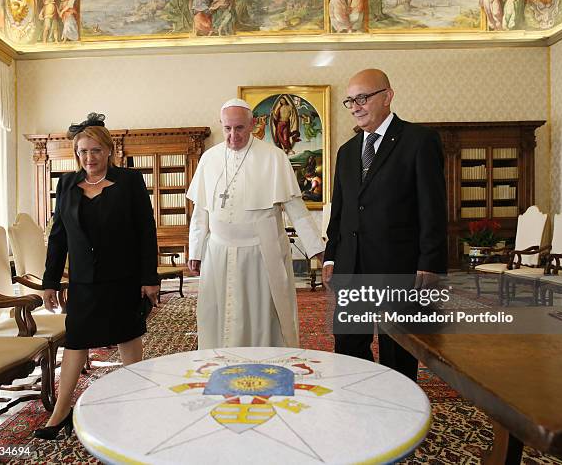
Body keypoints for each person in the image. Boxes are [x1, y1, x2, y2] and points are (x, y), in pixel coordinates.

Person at [36, 112, 160, 439]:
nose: (89, 158)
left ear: (108, 151)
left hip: (123, 278)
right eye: (82, 152)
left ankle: (137, 403)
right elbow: (59, 236)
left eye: (95, 151)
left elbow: (146, 231)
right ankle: (61, 412)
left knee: (128, 338)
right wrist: (50, 281)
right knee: (76, 341)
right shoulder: (66, 184)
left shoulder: (129, 182)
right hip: (83, 283)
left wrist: (150, 278)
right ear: (76, 154)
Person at [322, 69, 447, 381]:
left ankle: (400, 415)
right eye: (350, 100)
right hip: (352, 267)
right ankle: (358, 407)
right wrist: (331, 255)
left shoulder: (419, 141)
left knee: (398, 353)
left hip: (399, 267)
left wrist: (430, 262)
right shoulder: (347, 151)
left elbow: (433, 209)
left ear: (387, 96)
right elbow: (341, 210)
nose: (355, 106)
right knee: (349, 347)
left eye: (362, 98)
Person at [187, 98, 325, 349]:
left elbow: (296, 208)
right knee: (218, 313)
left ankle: (266, 361)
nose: (232, 135)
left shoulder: (274, 157)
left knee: (264, 317)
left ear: (252, 124)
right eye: (227, 128)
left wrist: (317, 249)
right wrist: (195, 251)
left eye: (239, 128)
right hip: (218, 251)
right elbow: (201, 211)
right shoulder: (209, 158)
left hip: (261, 253)